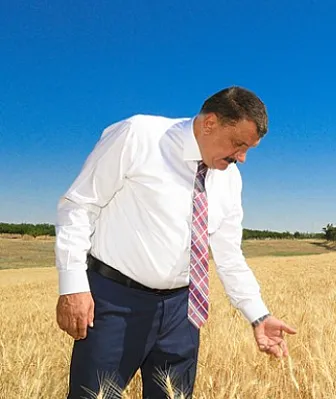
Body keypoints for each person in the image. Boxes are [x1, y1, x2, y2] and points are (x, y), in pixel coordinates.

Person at [54, 86, 296, 398]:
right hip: (115, 303)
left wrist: (259, 315)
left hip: (184, 312)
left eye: (248, 149)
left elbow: (229, 254)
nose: (243, 158)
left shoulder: (230, 178)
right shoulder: (138, 135)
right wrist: (72, 284)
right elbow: (79, 205)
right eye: (238, 144)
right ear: (209, 123)